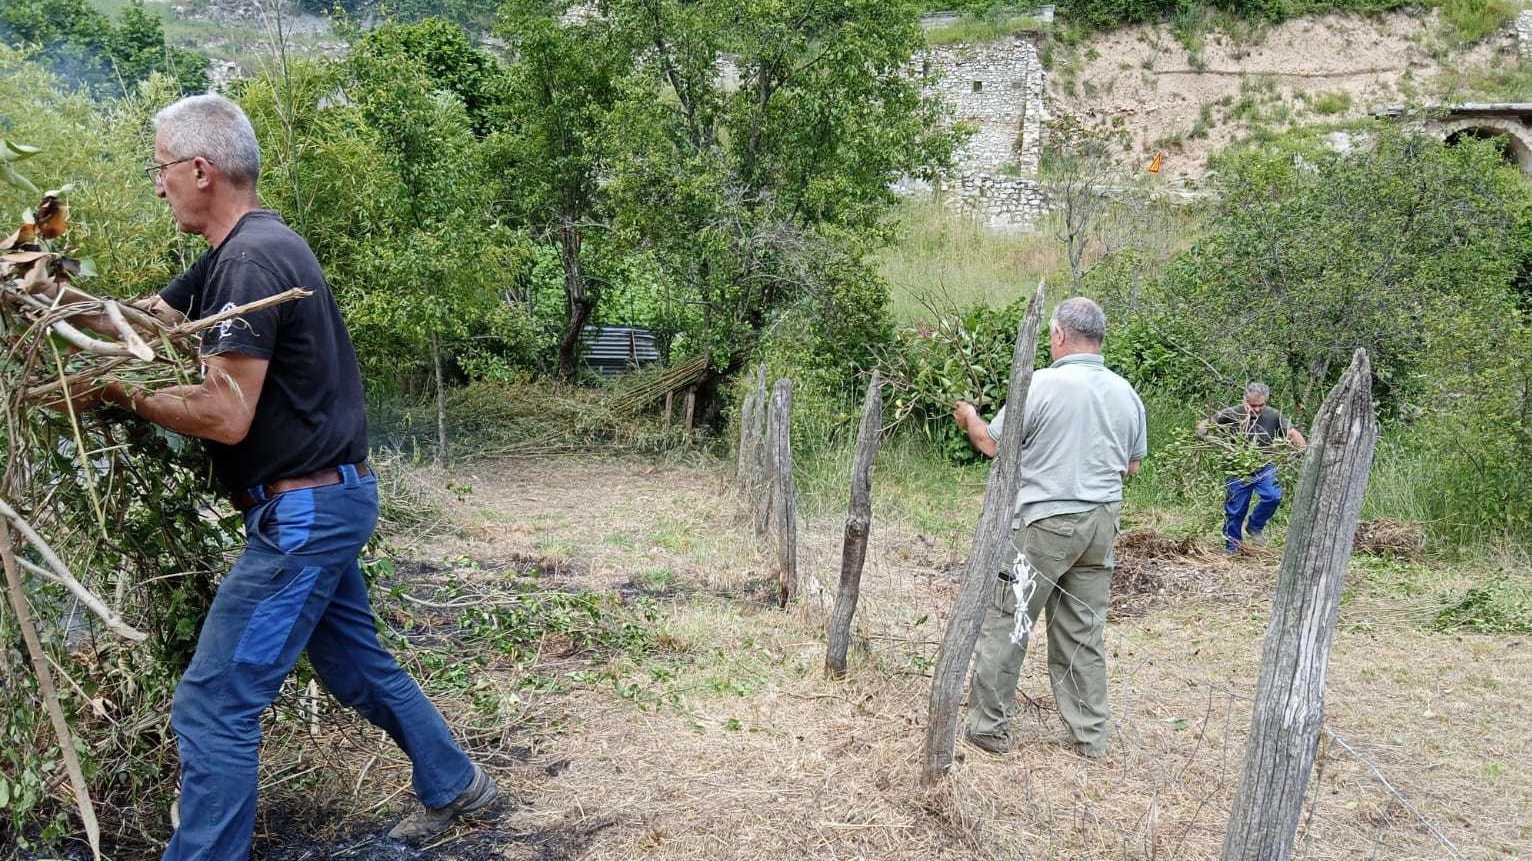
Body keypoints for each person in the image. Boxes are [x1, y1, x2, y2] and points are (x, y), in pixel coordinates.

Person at [72, 94, 495, 857]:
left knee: (213, 702)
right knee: (354, 661)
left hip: (303, 516)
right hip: (326, 501)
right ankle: (457, 782)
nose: (157, 183)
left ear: (200, 170)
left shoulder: (253, 260)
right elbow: (146, 319)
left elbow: (226, 413)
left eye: (160, 168)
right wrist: (44, 298)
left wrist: (119, 391)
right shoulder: (238, 254)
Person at [950, 297, 1147, 758]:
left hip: (1044, 524)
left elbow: (991, 446)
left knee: (1009, 621)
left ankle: (988, 728)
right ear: (1099, 338)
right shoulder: (1125, 392)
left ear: (1058, 334)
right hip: (1101, 525)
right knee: (1082, 630)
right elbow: (1132, 466)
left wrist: (968, 417)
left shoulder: (1040, 384)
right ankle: (1089, 737)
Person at [1196, 382, 1306, 553]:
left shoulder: (1273, 415)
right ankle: (1233, 548)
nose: (1256, 409)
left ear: (1266, 402)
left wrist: (1302, 449)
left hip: (1264, 466)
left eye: (1260, 405)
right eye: (1252, 405)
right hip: (1238, 468)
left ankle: (1255, 526)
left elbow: (1292, 433)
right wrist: (1202, 431)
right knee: (1235, 509)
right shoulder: (1233, 413)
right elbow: (1206, 423)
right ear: (1245, 400)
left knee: (1273, 496)